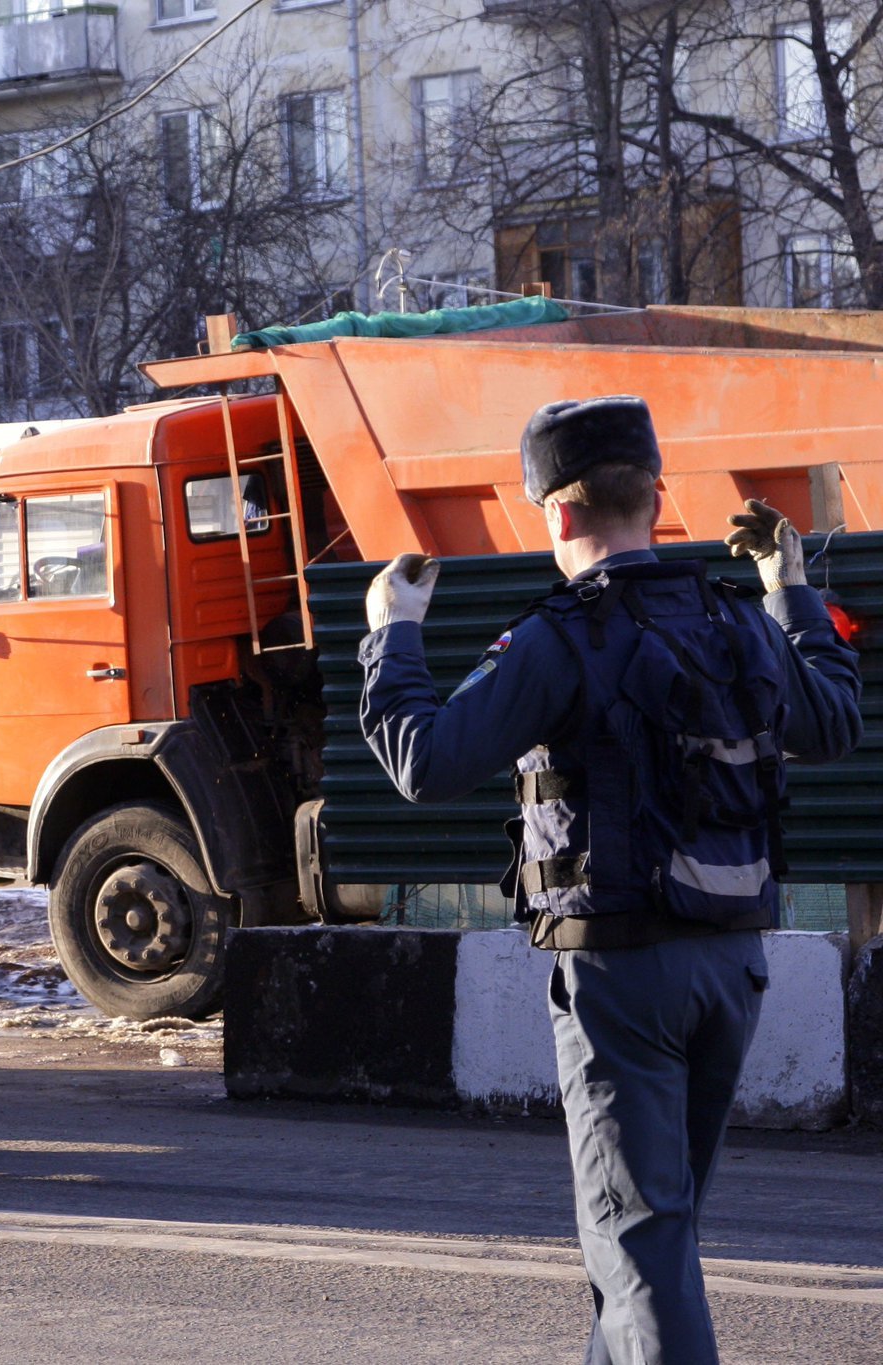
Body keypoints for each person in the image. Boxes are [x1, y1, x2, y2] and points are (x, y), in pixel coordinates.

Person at [354, 394, 861, 1364]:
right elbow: (833, 718)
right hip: (730, 967)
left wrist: (392, 632)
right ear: (658, 496)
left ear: (551, 514)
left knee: (637, 1241)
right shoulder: (737, 622)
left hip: (619, 979)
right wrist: (784, 583)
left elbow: (424, 761)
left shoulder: (556, 637)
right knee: (650, 1244)